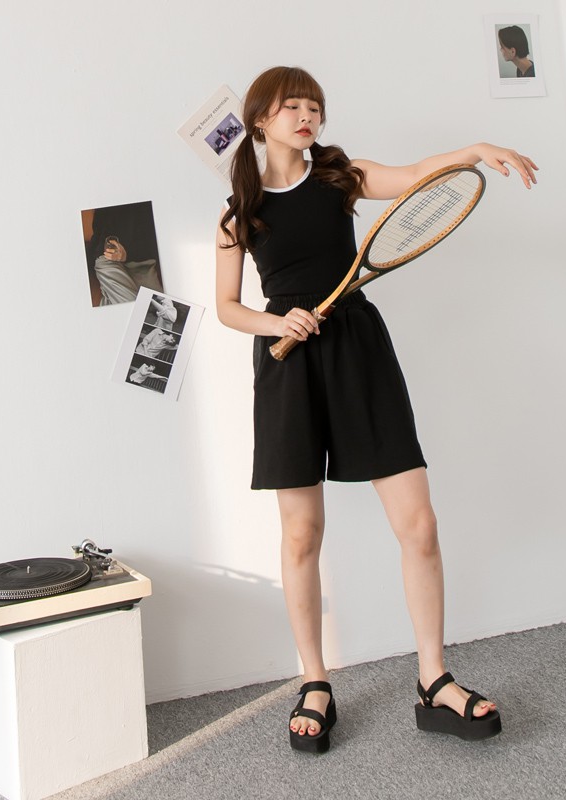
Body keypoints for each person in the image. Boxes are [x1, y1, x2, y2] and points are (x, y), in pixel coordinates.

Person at [215, 66, 538, 754]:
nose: (307, 116)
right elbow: (226, 307)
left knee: (419, 524)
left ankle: (434, 680)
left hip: (359, 350)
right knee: (301, 535)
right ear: (261, 120)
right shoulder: (238, 212)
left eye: (314, 106)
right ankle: (314, 681)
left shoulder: (342, 177)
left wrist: (474, 149)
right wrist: (276, 324)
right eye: (292, 106)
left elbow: (419, 174)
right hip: (288, 367)